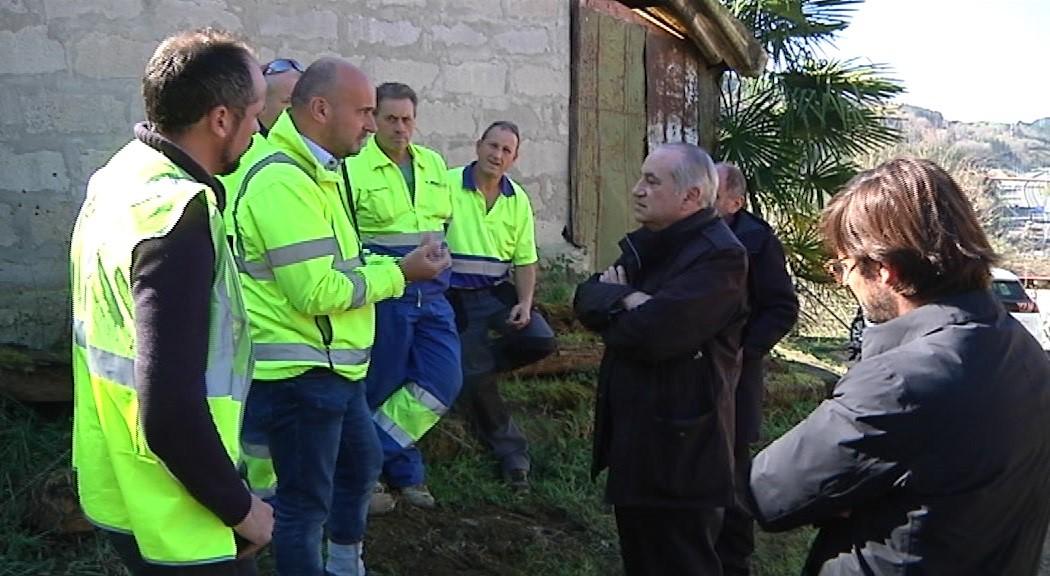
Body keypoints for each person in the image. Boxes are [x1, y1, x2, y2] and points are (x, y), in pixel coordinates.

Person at [749, 158, 1050, 575]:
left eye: (843, 267)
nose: (844, 281)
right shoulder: (1022, 348)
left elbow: (771, 491)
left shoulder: (899, 381)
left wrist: (853, 496)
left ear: (885, 270)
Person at [225, 58, 449, 575]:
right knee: (304, 507)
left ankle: (346, 564)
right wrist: (402, 276)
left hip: (333, 369)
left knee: (360, 466)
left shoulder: (317, 173)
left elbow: (341, 261)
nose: (372, 126)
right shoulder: (282, 182)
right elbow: (316, 290)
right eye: (365, 112)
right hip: (301, 376)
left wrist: (391, 264)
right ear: (321, 109)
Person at [70, 28, 272, 575]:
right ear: (222, 119)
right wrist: (240, 508)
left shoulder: (119, 177)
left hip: (121, 484)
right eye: (255, 114)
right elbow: (171, 412)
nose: (260, 129)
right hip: (181, 513)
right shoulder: (178, 216)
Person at [574, 143, 749, 576]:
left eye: (652, 181)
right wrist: (630, 299)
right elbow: (587, 297)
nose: (636, 190)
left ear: (691, 197)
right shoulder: (650, 245)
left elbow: (655, 333)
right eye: (641, 177)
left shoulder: (720, 256)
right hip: (638, 447)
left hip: (681, 458)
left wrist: (622, 304)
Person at [348, 82, 461, 511]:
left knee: (441, 380)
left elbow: (442, 222)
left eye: (407, 119)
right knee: (382, 384)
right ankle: (399, 474)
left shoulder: (432, 163)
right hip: (387, 290)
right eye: (391, 118)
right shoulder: (354, 166)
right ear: (374, 118)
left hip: (432, 293)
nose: (400, 128)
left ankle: (365, 459)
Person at [445, 121, 558, 491]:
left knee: (540, 339)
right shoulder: (446, 185)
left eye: (506, 150)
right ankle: (513, 455)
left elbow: (525, 260)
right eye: (492, 146)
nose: (497, 155)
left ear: (514, 157)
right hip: (452, 296)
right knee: (477, 371)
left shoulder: (517, 198)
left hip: (494, 293)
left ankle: (467, 370)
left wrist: (525, 303)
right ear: (478, 146)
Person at [712, 162, 799, 576]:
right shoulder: (683, 232)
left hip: (738, 374)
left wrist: (745, 351)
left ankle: (734, 560)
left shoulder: (758, 240)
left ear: (735, 201)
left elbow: (782, 307)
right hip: (692, 371)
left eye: (714, 192)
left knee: (733, 468)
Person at [258, 58, 303, 135]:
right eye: (289, 101)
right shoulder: (242, 143)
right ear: (261, 106)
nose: (300, 108)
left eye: (302, 100)